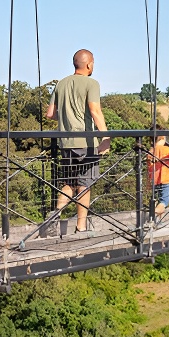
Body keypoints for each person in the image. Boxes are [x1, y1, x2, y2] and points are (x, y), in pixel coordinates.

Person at [46, 48, 110, 234]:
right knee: (84, 184)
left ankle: (55, 213)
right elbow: (95, 111)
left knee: (69, 183)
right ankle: (81, 227)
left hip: (65, 143)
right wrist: (105, 138)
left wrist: (67, 117)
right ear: (89, 64)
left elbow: (50, 114)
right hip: (86, 143)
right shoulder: (92, 83)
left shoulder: (61, 84)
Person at [147, 133, 169, 218]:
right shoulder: (167, 150)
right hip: (164, 179)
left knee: (155, 199)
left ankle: (155, 221)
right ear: (163, 137)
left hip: (153, 180)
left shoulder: (150, 151)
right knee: (164, 201)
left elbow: (148, 166)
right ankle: (153, 212)